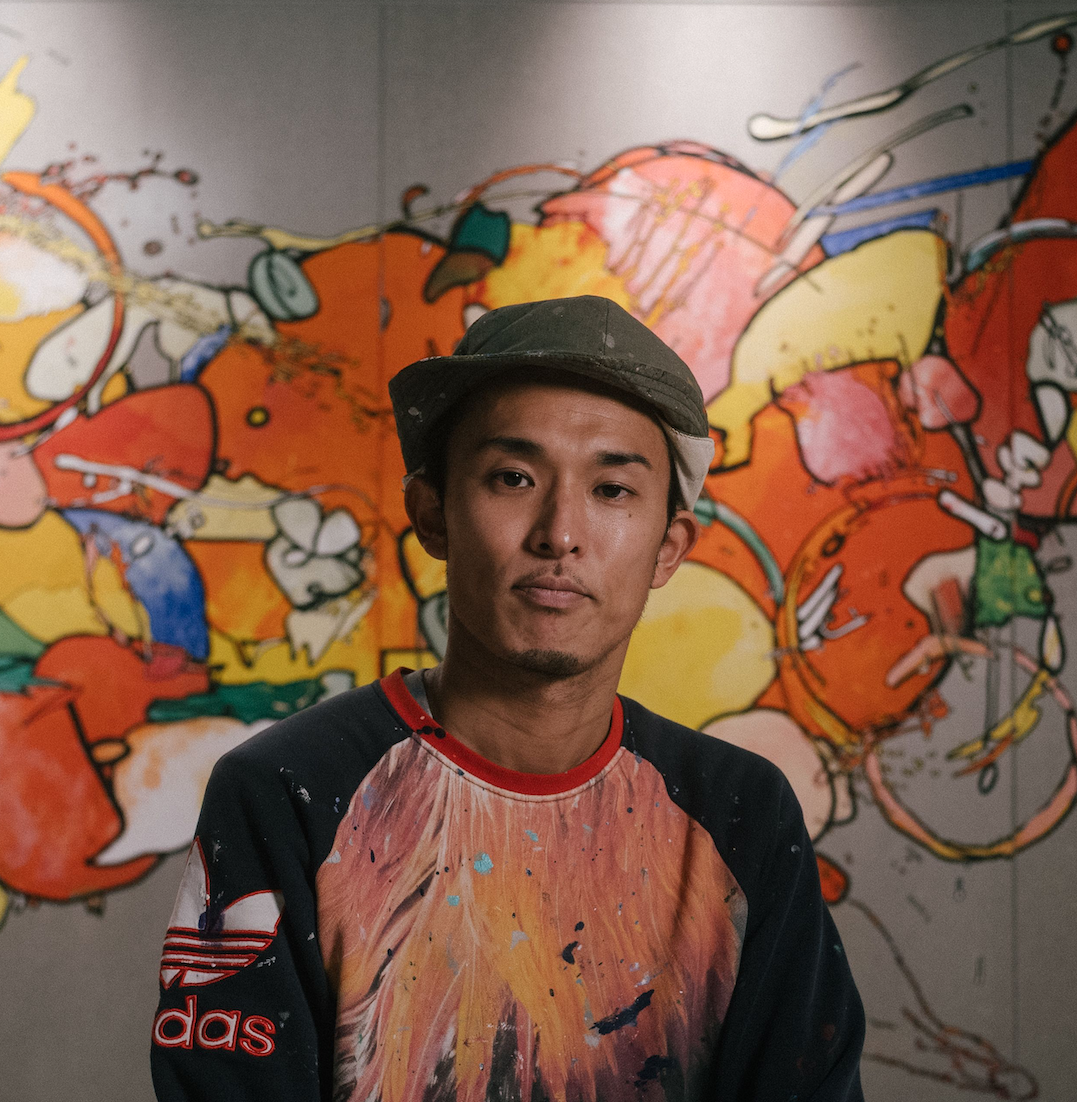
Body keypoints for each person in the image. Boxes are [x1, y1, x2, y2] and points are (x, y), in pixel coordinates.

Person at [151, 295, 865, 1101]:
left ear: (669, 548)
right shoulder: (291, 792)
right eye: (513, 478)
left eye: (613, 489)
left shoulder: (739, 813)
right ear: (433, 515)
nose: (559, 532)